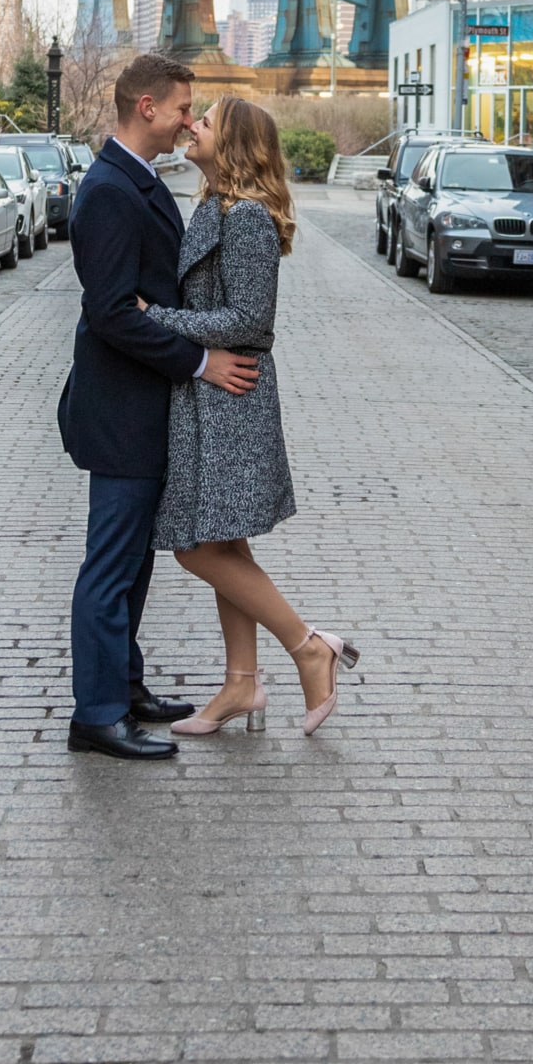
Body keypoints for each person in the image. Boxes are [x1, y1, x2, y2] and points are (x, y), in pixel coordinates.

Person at [58, 54, 261, 762]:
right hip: (120, 412)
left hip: (143, 408)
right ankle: (97, 713)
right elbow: (113, 313)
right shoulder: (110, 190)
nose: (187, 119)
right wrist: (202, 360)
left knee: (133, 565)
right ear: (146, 107)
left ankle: (126, 686)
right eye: (182, 107)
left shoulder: (137, 182)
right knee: (109, 568)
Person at [144, 96, 359, 737]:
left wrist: (157, 319)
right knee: (222, 542)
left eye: (204, 122)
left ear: (233, 144)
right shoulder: (214, 205)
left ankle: (308, 646)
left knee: (192, 547)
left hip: (233, 399)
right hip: (212, 397)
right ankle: (241, 685)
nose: (192, 126)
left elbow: (249, 321)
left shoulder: (247, 220)